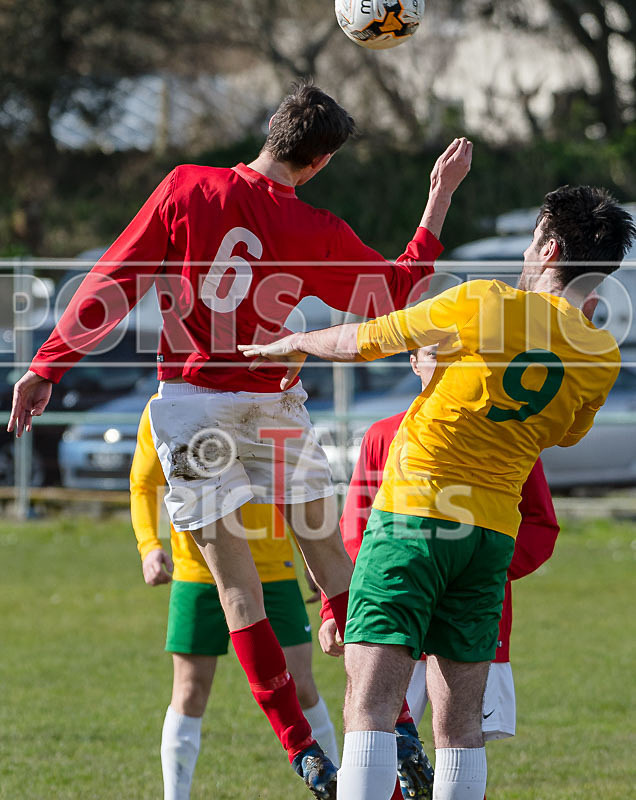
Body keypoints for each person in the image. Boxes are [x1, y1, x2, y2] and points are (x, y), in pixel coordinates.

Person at [8, 82, 472, 799]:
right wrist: (438, 197)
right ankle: (396, 727)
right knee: (335, 568)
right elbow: (398, 289)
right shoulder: (313, 228)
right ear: (318, 163)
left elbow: (114, 280)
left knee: (236, 590)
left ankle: (305, 753)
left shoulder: (185, 187)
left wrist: (46, 366)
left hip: (193, 409)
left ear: (270, 130)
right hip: (272, 406)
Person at [238, 184, 635, 800]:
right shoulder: (601, 354)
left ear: (551, 247)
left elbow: (367, 338)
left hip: (415, 517)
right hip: (489, 538)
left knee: (369, 705)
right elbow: (565, 433)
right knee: (458, 726)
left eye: (534, 241)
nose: (528, 253)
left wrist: (294, 343)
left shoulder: (485, 302)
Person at [320, 347, 561, 800]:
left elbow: (540, 525)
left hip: (474, 605)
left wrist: (474, 571)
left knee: (461, 735)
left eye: (459, 354)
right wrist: (337, 607)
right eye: (434, 353)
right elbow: (355, 527)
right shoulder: (384, 434)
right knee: (378, 729)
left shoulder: (507, 433)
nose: (447, 364)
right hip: (395, 602)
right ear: (413, 362)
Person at [130, 396, 339, 800]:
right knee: (189, 692)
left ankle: (335, 784)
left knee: (302, 685)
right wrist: (149, 545)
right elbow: (144, 481)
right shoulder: (166, 401)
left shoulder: (264, 394)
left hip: (275, 571)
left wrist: (313, 557)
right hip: (199, 572)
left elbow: (294, 483)